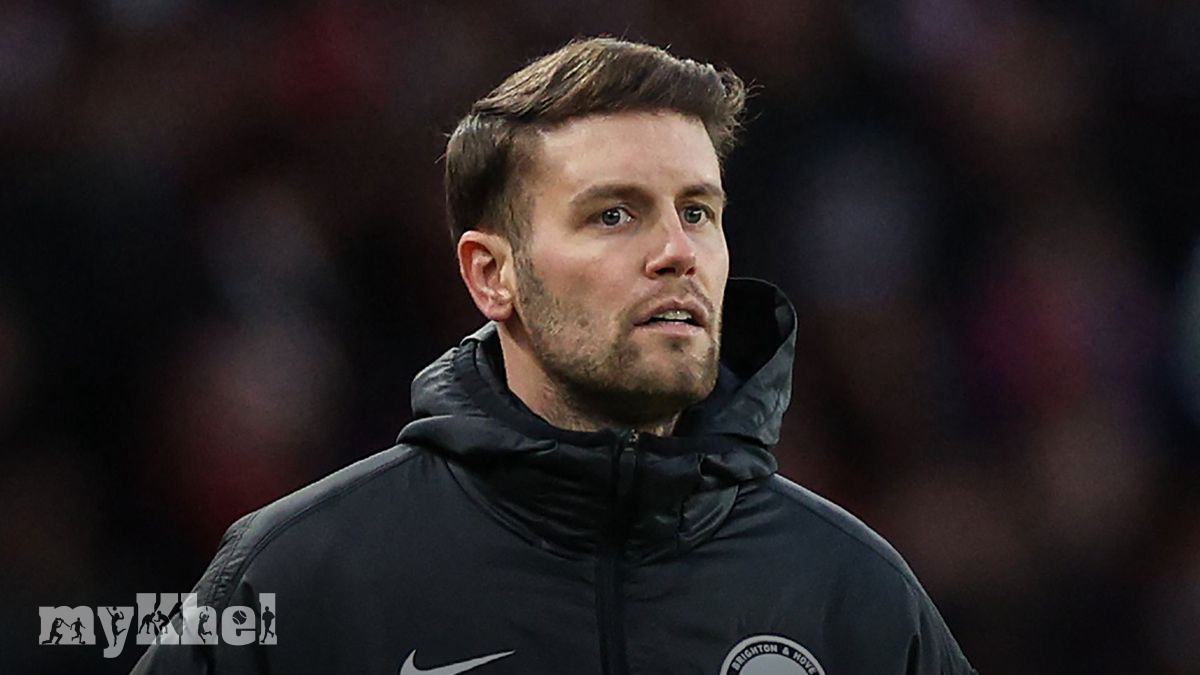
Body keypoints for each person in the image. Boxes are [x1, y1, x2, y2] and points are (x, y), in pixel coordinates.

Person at [131, 37, 977, 674]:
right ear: (491, 275)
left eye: (698, 211)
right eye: (615, 214)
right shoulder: (300, 578)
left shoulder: (853, 593)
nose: (677, 252)